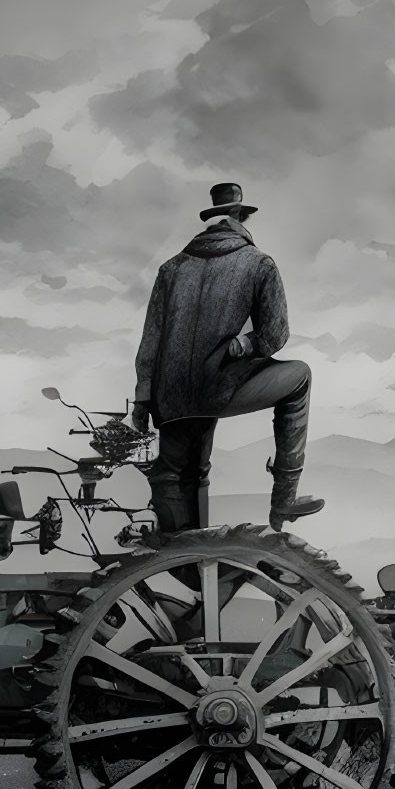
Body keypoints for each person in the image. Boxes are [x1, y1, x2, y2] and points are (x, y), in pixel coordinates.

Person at [131, 182, 324, 534]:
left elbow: (151, 340)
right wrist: (242, 347)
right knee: (300, 376)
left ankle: (182, 553)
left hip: (169, 394)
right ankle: (284, 498)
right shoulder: (258, 263)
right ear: (239, 216)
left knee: (179, 473)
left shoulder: (170, 268)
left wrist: (143, 398)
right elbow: (274, 336)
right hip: (219, 386)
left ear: (212, 221)